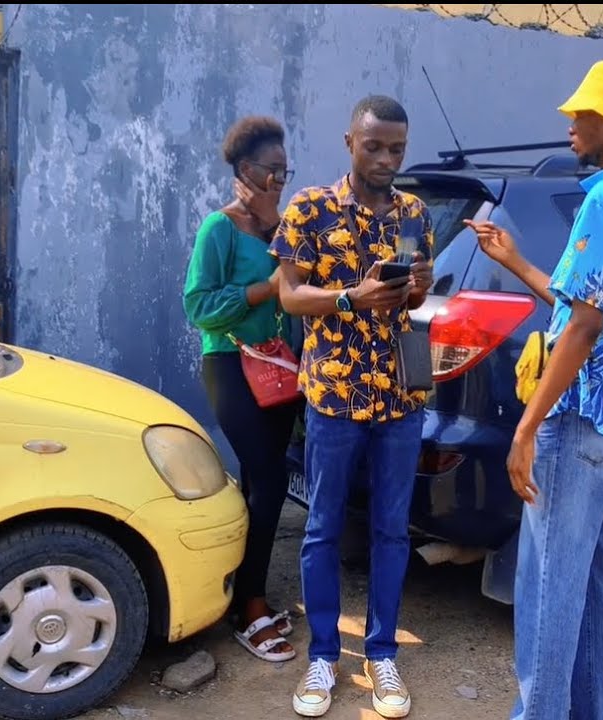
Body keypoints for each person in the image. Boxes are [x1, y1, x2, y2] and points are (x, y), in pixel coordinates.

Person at [464, 59, 603, 720]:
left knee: (549, 586)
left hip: (579, 417)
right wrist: (516, 261)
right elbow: (589, 308)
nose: (569, 122)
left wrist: (527, 427)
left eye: (580, 112)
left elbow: (582, 326)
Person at [269, 94, 434, 719]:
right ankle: (322, 656)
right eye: (375, 146)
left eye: (396, 148)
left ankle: (382, 653)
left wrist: (416, 289)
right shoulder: (310, 208)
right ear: (350, 142)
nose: (387, 158)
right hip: (335, 397)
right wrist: (350, 299)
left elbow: (416, 298)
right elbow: (289, 297)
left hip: (399, 396)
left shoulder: (415, 211)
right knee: (322, 529)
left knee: (393, 530)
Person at [182, 114, 303, 664]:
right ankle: (250, 605)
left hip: (277, 367)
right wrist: (262, 290)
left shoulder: (280, 230)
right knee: (273, 478)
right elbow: (198, 306)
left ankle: (239, 594)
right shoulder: (219, 228)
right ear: (243, 170)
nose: (280, 178)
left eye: (285, 170)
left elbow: (299, 283)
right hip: (230, 363)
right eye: (272, 171)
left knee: (260, 479)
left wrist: (276, 223)